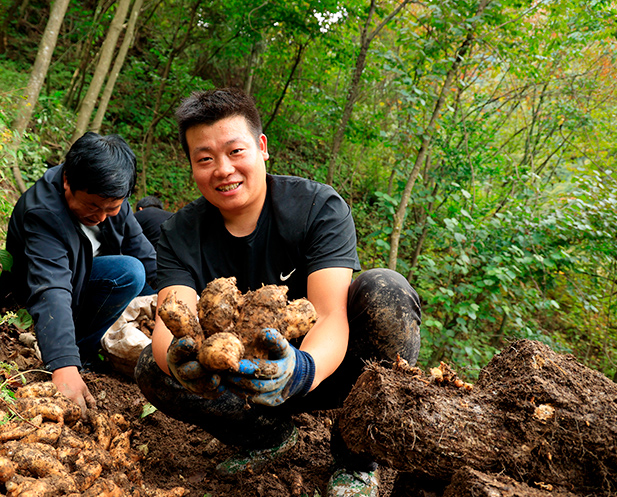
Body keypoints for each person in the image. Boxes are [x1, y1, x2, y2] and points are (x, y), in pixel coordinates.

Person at [134, 88, 421, 497]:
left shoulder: (317, 208)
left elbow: (330, 315)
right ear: (192, 167)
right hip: (237, 380)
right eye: (205, 159)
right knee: (152, 365)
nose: (223, 169)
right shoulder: (179, 233)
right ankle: (266, 436)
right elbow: (172, 317)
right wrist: (178, 360)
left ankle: (357, 456)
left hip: (321, 368)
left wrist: (300, 371)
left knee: (387, 291)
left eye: (235, 151)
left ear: (261, 147)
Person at [0, 132, 157, 415]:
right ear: (67, 181)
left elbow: (144, 253)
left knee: (142, 272)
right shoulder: (43, 213)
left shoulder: (112, 201)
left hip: (82, 284)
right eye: (92, 206)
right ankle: (80, 350)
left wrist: (176, 298)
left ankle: (84, 342)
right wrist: (64, 365)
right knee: (128, 272)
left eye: (112, 208)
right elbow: (51, 287)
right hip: (36, 298)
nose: (101, 216)